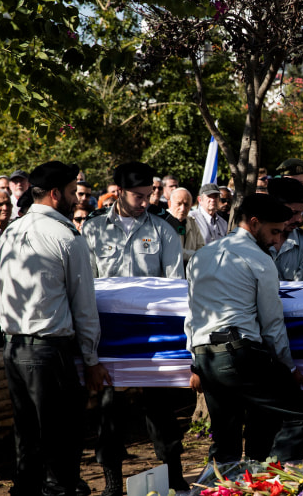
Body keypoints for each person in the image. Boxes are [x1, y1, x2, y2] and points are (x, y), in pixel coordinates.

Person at [0, 161, 110, 495]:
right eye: (74, 192)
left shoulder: (12, 232)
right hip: (47, 350)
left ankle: (29, 488)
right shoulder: (66, 236)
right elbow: (84, 304)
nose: (78, 199)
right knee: (59, 439)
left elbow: (0, 291)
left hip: (15, 347)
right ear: (56, 193)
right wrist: (91, 359)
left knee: (27, 436)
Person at [185, 194, 303, 463]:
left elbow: (193, 315)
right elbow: (272, 323)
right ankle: (271, 484)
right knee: (300, 415)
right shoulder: (258, 259)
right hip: (240, 353)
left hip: (207, 356)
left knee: (225, 440)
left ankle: (222, 490)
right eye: (274, 231)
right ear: (254, 223)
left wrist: (196, 364)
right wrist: (289, 367)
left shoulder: (201, 256)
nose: (277, 240)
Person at [81, 161, 186, 494]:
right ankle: (112, 480)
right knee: (110, 412)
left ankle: (174, 473)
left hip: (154, 338)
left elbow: (176, 287)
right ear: (119, 191)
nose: (145, 202)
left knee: (162, 414)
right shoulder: (94, 229)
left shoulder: (164, 230)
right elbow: (87, 285)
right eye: (138, 196)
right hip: (110, 337)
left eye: (149, 195)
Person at [267, 177, 303, 281]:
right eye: (293, 213)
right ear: (275, 208)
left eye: (301, 213)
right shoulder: (254, 241)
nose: (299, 219)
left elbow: (302, 287)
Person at [165, 187, 205, 266]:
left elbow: (201, 248)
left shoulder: (192, 222)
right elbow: (172, 251)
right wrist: (193, 255)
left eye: (186, 205)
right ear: (169, 204)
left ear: (191, 205)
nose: (183, 208)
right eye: (179, 204)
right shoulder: (162, 223)